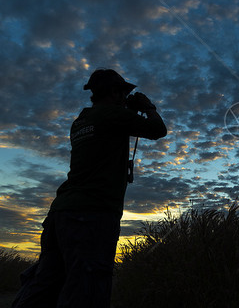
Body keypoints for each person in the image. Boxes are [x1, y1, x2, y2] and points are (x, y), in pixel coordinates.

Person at [12, 68, 167, 308]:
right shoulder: (112, 115)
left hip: (60, 214)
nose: (126, 98)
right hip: (92, 215)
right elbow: (158, 130)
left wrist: (127, 111)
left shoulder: (81, 121)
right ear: (114, 93)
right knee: (88, 289)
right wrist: (148, 107)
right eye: (123, 93)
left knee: (44, 285)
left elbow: (107, 137)